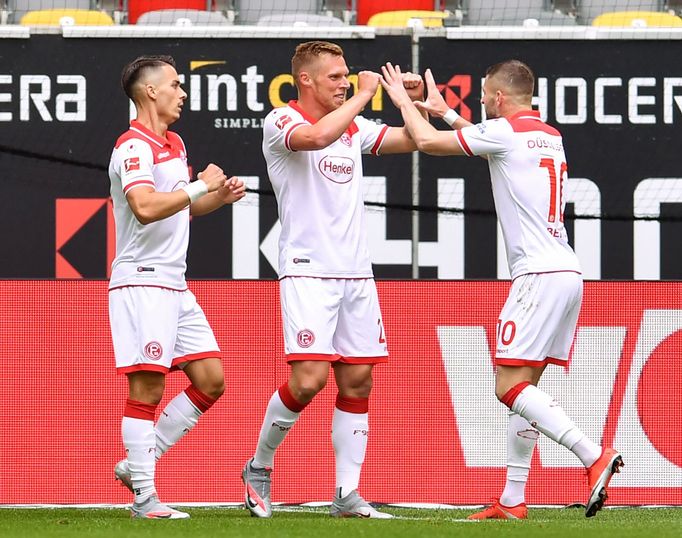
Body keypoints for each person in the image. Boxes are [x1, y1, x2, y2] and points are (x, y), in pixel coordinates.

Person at [380, 60, 623, 519]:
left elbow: (428, 143)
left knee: (508, 387)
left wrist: (402, 103)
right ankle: (512, 499)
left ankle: (593, 456)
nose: (482, 103)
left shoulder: (506, 134)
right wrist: (445, 111)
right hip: (566, 271)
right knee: (527, 386)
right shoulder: (548, 134)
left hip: (536, 275)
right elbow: (493, 145)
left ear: (496, 98)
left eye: (484, 97)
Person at [241, 41, 424, 519]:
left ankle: (346, 493)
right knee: (308, 380)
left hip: (356, 273)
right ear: (306, 80)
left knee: (358, 379)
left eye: (347, 76)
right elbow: (316, 138)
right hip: (308, 271)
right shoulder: (281, 121)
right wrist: (364, 95)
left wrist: (413, 101)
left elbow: (411, 140)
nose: (344, 83)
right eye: (335, 77)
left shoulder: (353, 127)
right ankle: (259, 466)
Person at [108, 55, 245, 519]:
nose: (181, 93)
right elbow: (145, 206)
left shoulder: (175, 142)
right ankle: (145, 498)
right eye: (174, 85)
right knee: (147, 389)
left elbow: (176, 209)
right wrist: (196, 186)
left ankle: (137, 464)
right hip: (142, 283)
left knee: (211, 380)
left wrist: (215, 196)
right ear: (149, 92)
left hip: (174, 285)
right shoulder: (132, 147)